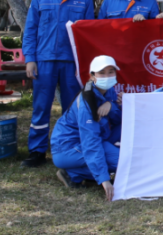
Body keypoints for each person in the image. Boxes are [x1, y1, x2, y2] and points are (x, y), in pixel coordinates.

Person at [22, 0, 96, 168]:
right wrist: (30, 59)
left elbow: (89, 35)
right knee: (41, 107)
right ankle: (37, 151)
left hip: (72, 63)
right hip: (44, 61)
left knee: (72, 108)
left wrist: (86, 66)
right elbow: (30, 30)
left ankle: (69, 148)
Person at [51, 55, 122, 200]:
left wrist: (112, 105)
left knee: (124, 151)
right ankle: (72, 173)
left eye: (111, 72)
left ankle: (78, 171)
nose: (107, 76)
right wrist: (105, 180)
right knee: (121, 162)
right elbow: (91, 142)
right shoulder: (86, 103)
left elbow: (119, 120)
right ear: (92, 76)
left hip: (96, 138)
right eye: (102, 73)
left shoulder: (109, 91)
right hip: (67, 149)